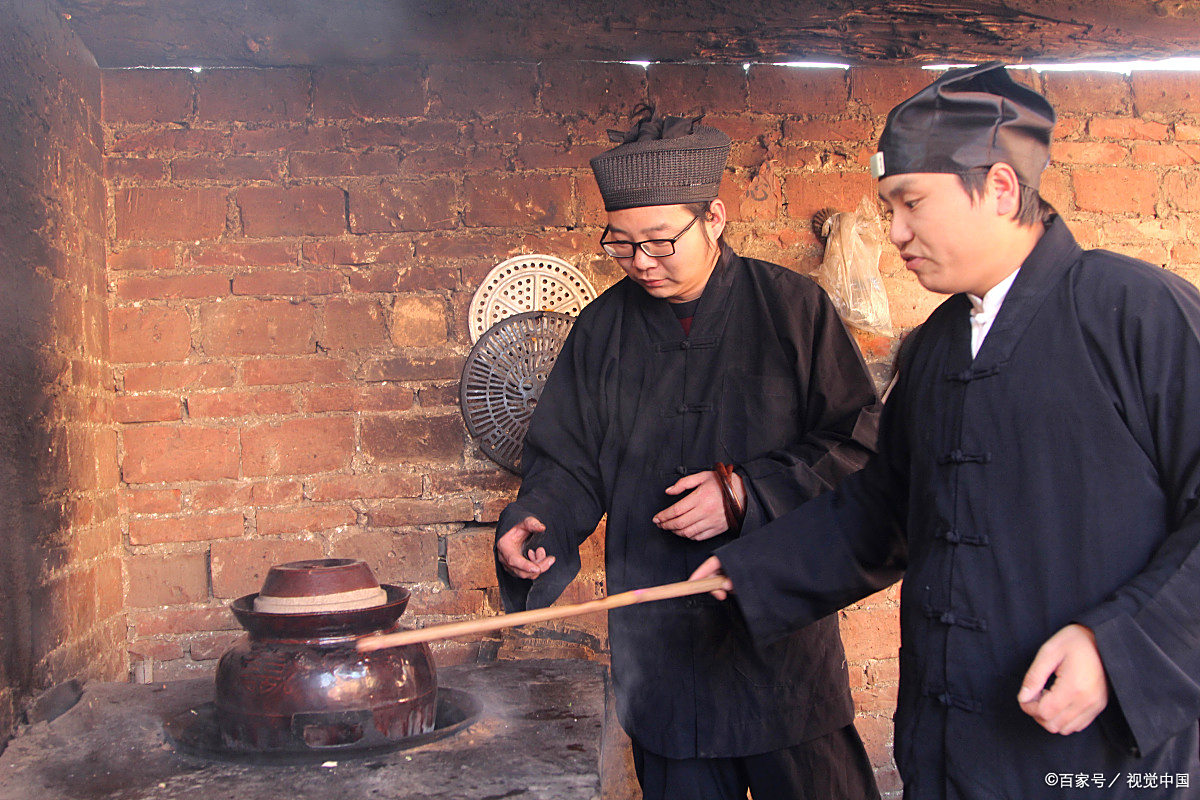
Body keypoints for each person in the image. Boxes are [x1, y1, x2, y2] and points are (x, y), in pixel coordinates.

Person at [692, 63, 1200, 799]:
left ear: (998, 188)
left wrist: (1116, 647)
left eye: (911, 203)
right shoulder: (935, 347)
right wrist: (756, 570)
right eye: (888, 206)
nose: (894, 231)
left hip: (1102, 762)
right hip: (952, 754)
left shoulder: (1138, 314)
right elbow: (886, 509)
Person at [493, 110, 882, 800]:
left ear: (714, 218)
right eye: (622, 244)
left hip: (779, 643)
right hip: (662, 650)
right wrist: (539, 518)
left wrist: (746, 493)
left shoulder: (791, 309)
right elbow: (569, 458)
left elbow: (858, 446)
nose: (642, 262)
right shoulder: (603, 329)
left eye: (661, 241)